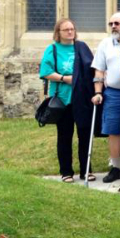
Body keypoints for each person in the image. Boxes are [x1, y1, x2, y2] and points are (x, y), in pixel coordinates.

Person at [39, 18, 96, 183]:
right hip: (63, 100)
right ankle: (66, 172)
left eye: (72, 29)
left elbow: (92, 68)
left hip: (82, 98)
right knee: (65, 136)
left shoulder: (81, 47)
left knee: (84, 135)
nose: (70, 32)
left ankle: (86, 170)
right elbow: (46, 71)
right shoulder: (53, 49)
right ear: (58, 33)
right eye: (66, 30)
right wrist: (64, 78)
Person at [91, 12, 120, 183]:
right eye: (111, 23)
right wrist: (98, 92)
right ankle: (116, 168)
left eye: (117, 23)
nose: (113, 26)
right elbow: (99, 70)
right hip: (114, 93)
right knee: (113, 131)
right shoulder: (106, 44)